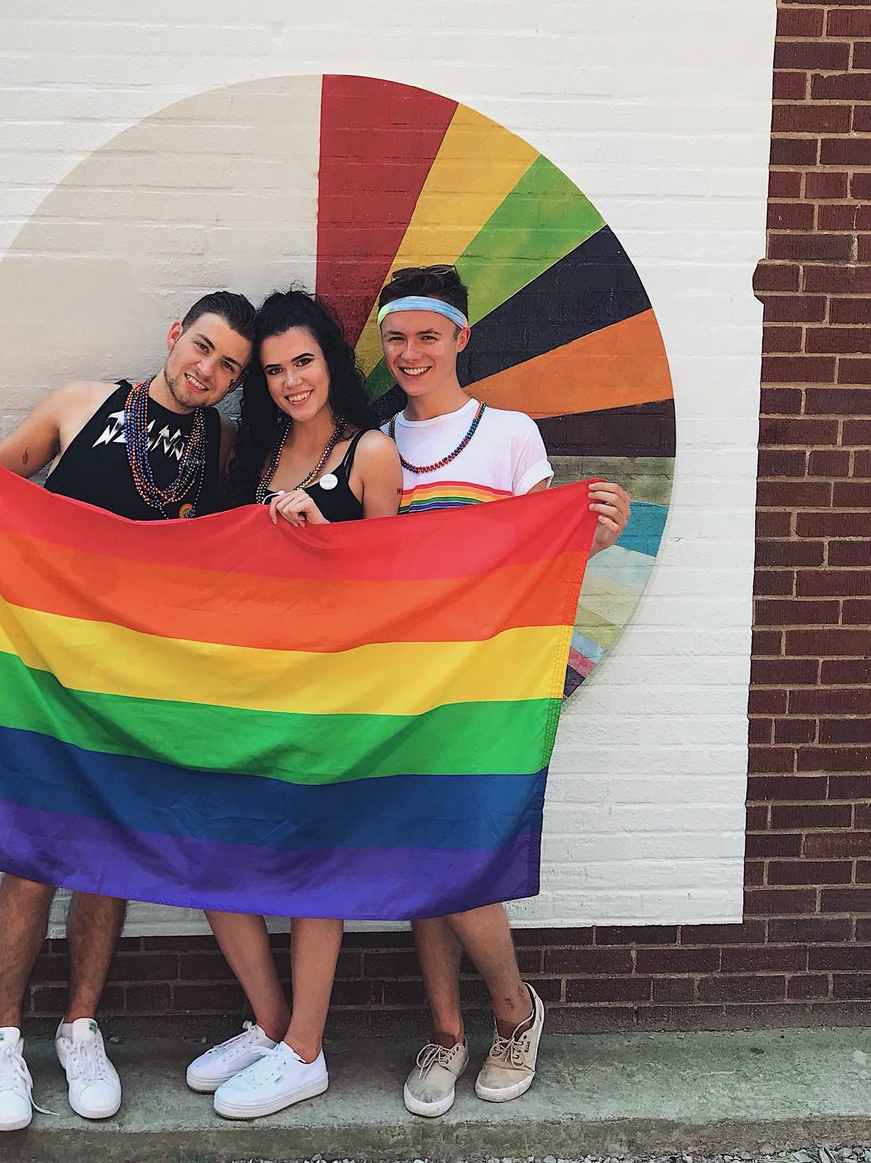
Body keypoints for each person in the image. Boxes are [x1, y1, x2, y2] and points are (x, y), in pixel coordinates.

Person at [0, 290, 256, 1132]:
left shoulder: (221, 446)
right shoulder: (83, 404)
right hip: (40, 674)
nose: (209, 371)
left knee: (105, 861)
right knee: (33, 857)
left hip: (136, 689)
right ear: (175, 333)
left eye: (229, 367)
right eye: (205, 348)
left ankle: (81, 1026)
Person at [373, 264, 631, 1118]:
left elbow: (537, 560)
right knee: (420, 860)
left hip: (486, 685)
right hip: (404, 684)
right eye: (396, 338)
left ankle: (515, 1013)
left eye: (427, 337)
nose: (410, 354)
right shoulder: (376, 443)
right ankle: (446, 1033)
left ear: (460, 339)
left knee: (465, 859)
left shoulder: (511, 435)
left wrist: (591, 536)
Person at [185, 290, 402, 1120]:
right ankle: (274, 1028)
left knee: (317, 869)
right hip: (242, 688)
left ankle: (305, 1051)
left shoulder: (371, 452)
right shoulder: (255, 451)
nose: (288, 380)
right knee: (212, 853)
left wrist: (329, 539)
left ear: (330, 361)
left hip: (331, 694)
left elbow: (394, 595)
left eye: (301, 361)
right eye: (272, 369)